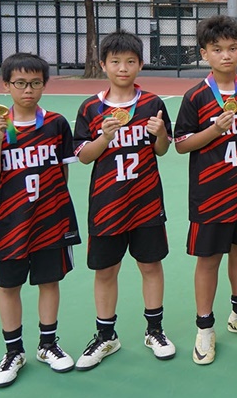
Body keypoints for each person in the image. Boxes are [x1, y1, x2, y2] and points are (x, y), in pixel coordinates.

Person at [0, 53, 80, 387]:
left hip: (50, 220)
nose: (28, 90)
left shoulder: (56, 124)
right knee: (9, 286)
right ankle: (13, 352)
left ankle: (48, 345)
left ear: (44, 85)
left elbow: (62, 173)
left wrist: (55, 207)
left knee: (50, 281)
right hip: (10, 223)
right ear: (6, 86)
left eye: (35, 83)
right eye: (20, 83)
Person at [73, 31, 176, 370]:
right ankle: (106, 336)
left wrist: (159, 135)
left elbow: (162, 149)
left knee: (151, 266)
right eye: (115, 61)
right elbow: (84, 156)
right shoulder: (90, 108)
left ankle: (155, 331)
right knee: (106, 271)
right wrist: (104, 138)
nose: (122, 68)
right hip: (107, 204)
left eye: (130, 61)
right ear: (103, 65)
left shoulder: (152, 104)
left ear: (140, 65)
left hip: (146, 201)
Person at [175, 15, 237, 365]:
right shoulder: (196, 97)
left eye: (232, 48)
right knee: (209, 260)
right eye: (217, 50)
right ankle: (204, 327)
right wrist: (214, 130)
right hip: (210, 195)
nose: (226, 55)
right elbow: (181, 145)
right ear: (204, 54)